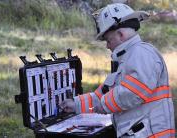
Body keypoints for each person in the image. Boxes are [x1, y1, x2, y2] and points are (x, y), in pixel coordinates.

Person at [60, 3, 175, 138]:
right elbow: (103, 95)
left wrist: (104, 105)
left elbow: (133, 92)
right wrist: (75, 104)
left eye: (108, 40)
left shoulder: (141, 53)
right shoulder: (127, 59)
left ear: (120, 34)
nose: (108, 46)